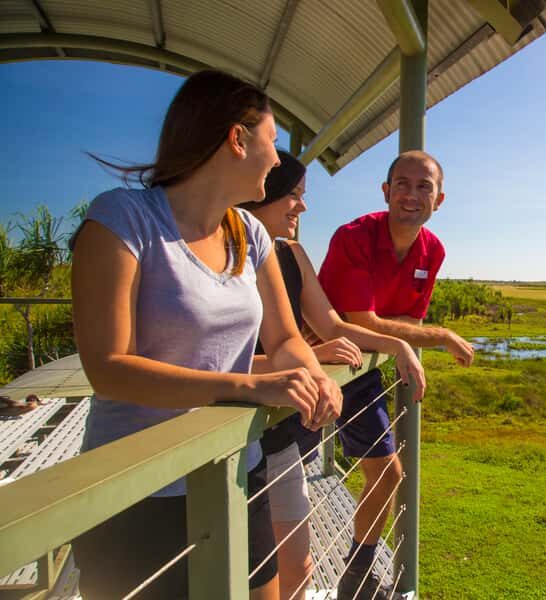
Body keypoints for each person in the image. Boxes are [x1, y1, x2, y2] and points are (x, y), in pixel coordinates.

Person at [69, 70, 342, 600]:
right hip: (137, 494)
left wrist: (314, 374)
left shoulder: (251, 233)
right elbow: (108, 367)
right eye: (272, 141)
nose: (276, 157)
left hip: (237, 469)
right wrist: (247, 386)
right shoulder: (123, 219)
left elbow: (285, 337)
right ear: (237, 140)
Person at [240, 150, 426, 600]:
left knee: (297, 566)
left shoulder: (292, 253)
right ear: (258, 191)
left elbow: (335, 324)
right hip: (235, 432)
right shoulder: (224, 252)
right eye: (293, 195)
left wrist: (399, 345)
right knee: (245, 569)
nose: (303, 207)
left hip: (281, 432)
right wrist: (311, 355)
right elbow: (216, 357)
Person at [318, 150, 475, 599]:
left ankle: (354, 578)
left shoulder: (433, 249)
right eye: (402, 184)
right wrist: (438, 337)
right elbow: (359, 318)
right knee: (282, 474)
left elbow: (409, 316)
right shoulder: (354, 236)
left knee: (386, 474)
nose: (412, 194)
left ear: (439, 199)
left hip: (365, 366)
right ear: (385, 192)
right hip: (322, 362)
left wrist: (405, 340)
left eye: (424, 186)